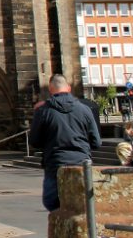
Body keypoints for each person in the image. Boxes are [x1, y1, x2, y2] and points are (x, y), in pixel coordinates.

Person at [29, 74, 102, 211]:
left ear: (51, 89)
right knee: (84, 204)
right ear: (68, 88)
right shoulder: (85, 110)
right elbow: (96, 142)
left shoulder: (43, 111)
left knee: (53, 204)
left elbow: (34, 141)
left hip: (55, 162)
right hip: (82, 163)